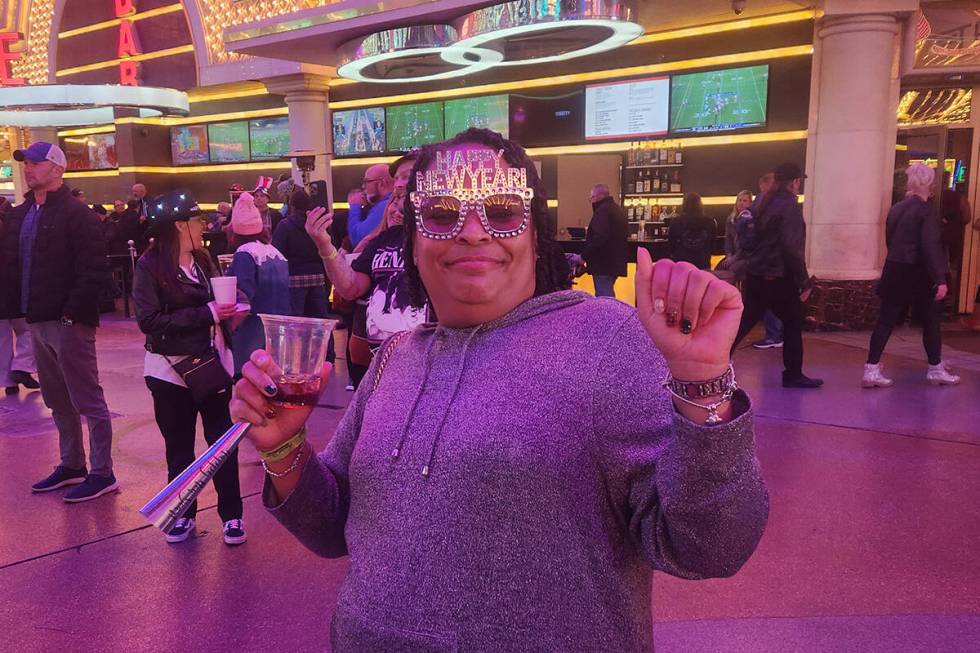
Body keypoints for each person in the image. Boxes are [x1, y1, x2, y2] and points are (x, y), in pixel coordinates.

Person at [230, 129, 768, 650]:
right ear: (413, 241)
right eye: (442, 214)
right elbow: (334, 527)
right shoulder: (395, 357)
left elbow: (708, 545)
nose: (472, 231)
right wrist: (283, 448)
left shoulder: (603, 339)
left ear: (535, 234)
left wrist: (704, 387)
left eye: (503, 211)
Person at [0, 142, 117, 501]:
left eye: (36, 163)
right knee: (56, 397)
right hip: (35, 317)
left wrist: (70, 313)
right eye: (26, 164)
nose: (28, 169)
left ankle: (102, 471)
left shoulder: (77, 215)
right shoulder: (21, 215)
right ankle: (72, 463)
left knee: (87, 397)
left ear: (57, 168)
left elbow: (93, 268)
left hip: (68, 320)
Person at [133, 190, 247, 544]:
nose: (204, 226)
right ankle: (182, 514)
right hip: (169, 371)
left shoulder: (203, 258)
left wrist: (232, 310)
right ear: (180, 225)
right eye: (198, 220)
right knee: (179, 447)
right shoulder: (149, 266)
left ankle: (233, 515)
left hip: (212, 364)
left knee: (222, 442)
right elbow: (149, 320)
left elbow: (222, 301)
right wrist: (208, 313)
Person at [306, 152, 427, 361]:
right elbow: (351, 287)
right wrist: (325, 245)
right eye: (396, 178)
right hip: (379, 360)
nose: (398, 185)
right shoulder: (384, 239)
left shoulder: (440, 238)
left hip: (423, 357)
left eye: (406, 177)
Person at [863, 163, 960, 387]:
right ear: (931, 184)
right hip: (919, 272)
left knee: (886, 321)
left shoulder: (897, 207)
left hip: (895, 267)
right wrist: (940, 280)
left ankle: (871, 368)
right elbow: (930, 246)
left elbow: (890, 238)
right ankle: (935, 368)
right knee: (931, 321)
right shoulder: (927, 211)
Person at [731, 162, 822, 388]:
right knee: (792, 322)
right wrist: (804, 282)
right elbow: (792, 248)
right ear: (794, 182)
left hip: (756, 273)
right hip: (779, 277)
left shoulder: (761, 200)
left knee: (744, 322)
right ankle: (793, 374)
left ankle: (713, 361)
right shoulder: (789, 207)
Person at [226, 192, 291, 376]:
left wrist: (229, 329)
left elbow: (243, 300)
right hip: (279, 333)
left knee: (249, 383)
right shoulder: (276, 253)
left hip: (252, 336)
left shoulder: (244, 254)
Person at [272, 188, 333, 321]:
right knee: (320, 321)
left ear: (292, 206)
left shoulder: (284, 225)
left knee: (295, 321)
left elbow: (277, 253)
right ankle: (325, 343)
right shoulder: (316, 223)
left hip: (293, 278)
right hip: (318, 277)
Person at [749, 173, 785, 350]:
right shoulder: (784, 203)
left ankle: (773, 335)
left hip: (766, 262)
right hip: (775, 262)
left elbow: (756, 234)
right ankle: (777, 334)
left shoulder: (764, 202)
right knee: (773, 300)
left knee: (763, 301)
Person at [580, 183, 628, 298]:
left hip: (602, 264)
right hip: (615, 262)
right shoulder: (617, 210)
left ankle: (607, 316)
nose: (591, 201)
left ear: (598, 196)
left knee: (604, 297)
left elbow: (600, 238)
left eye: (592, 198)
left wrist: (584, 256)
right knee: (608, 294)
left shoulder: (602, 211)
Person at [347, 164, 392, 247]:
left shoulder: (384, 206)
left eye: (367, 182)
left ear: (382, 183)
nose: (363, 186)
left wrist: (354, 205)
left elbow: (357, 239)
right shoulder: (390, 203)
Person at [668, 192, 716, 270]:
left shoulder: (676, 222)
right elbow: (712, 246)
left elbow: (671, 246)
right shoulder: (710, 222)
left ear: (684, 205)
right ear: (700, 204)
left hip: (682, 265)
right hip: (703, 263)